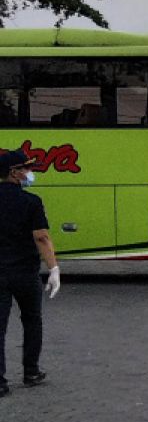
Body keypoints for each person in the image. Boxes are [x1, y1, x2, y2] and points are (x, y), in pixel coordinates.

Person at [0, 151, 61, 398]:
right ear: (14, 173)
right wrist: (53, 268)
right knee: (32, 320)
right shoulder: (31, 202)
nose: (29, 174)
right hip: (25, 272)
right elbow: (42, 237)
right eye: (25, 169)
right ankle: (31, 371)